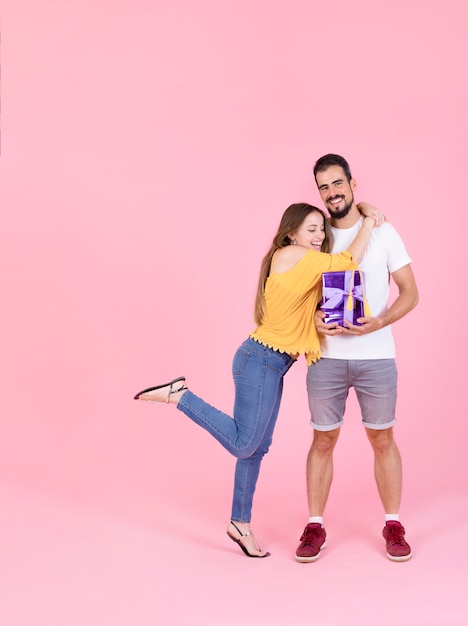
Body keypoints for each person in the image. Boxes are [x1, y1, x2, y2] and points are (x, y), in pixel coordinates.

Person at [134, 202, 379, 558]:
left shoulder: (300, 265)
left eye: (321, 230)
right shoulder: (291, 253)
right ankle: (180, 395)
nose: (319, 236)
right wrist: (369, 222)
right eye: (311, 229)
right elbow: (346, 262)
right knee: (244, 444)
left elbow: (298, 312)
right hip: (259, 360)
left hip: (271, 364)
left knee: (256, 448)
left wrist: (317, 322)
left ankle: (239, 523)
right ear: (291, 232)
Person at [295, 154, 419, 564]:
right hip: (325, 357)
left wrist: (379, 321)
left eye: (336, 183)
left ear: (352, 183)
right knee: (323, 439)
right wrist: (312, 316)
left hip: (377, 356)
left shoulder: (383, 232)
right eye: (323, 187)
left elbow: (410, 292)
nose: (331, 193)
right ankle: (315, 524)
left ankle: (393, 523)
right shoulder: (315, 234)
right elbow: (295, 292)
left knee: (382, 438)